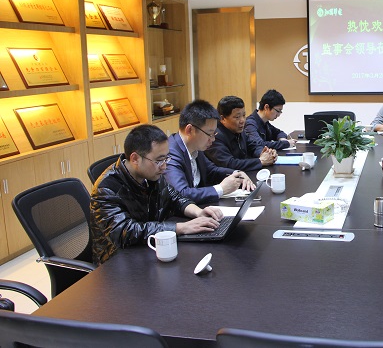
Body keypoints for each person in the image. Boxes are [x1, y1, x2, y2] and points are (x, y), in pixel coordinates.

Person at [90, 124, 224, 265]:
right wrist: (181, 227)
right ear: (135, 159)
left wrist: (198, 212)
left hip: (149, 248)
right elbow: (126, 231)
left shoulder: (150, 173)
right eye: (159, 160)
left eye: (166, 158)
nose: (164, 166)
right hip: (118, 261)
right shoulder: (106, 189)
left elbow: (173, 196)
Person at [165, 99, 255, 205]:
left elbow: (212, 171)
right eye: (210, 134)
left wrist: (236, 174)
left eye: (214, 134)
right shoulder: (170, 153)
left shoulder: (196, 147)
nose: (213, 139)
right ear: (190, 130)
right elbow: (180, 194)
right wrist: (221, 189)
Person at [205, 96, 277, 171]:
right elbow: (229, 164)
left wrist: (265, 153)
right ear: (222, 118)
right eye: (237, 117)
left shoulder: (239, 130)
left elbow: (253, 146)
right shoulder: (215, 136)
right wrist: (260, 161)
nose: (242, 120)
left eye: (244, 115)